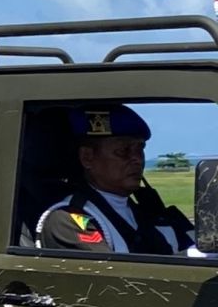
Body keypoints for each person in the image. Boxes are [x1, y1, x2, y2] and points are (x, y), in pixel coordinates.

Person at [36, 105, 198, 255]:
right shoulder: (68, 219)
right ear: (87, 157)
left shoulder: (148, 211)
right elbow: (114, 279)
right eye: (123, 151)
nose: (137, 159)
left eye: (139, 149)